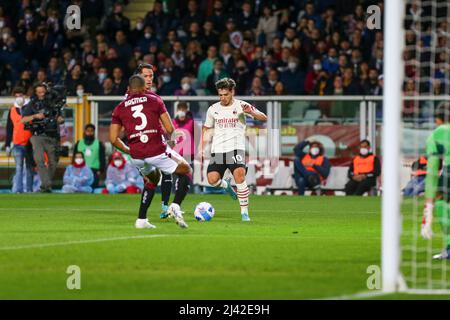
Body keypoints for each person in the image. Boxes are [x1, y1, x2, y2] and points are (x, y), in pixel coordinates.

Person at [110, 74, 192, 229]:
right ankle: (175, 206)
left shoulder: (119, 108)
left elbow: (113, 139)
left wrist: (129, 150)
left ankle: (141, 219)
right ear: (143, 88)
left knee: (152, 179)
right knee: (186, 170)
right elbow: (169, 128)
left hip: (137, 155)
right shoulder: (154, 100)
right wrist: (172, 141)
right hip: (156, 150)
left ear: (129, 89)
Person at [201, 78, 267, 221]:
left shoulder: (242, 105)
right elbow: (206, 128)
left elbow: (264, 117)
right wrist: (201, 146)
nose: (223, 98)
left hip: (236, 148)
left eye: (226, 94)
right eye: (220, 95)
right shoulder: (213, 109)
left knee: (239, 175)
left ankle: (244, 212)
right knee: (212, 180)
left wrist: (252, 112)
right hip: (218, 149)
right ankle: (226, 186)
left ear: (232, 92)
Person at [133, 63, 173, 219]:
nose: (149, 79)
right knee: (150, 179)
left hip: (157, 139)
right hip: (142, 142)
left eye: (151, 76)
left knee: (167, 171)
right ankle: (143, 215)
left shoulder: (155, 97)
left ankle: (164, 207)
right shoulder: (131, 97)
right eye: (145, 76)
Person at [21, 83, 65, 193]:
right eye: (39, 92)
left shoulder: (54, 103)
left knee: (53, 162)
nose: (42, 94)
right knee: (39, 160)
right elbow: (23, 120)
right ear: (35, 93)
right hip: (37, 135)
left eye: (43, 92)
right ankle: (47, 184)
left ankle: (45, 186)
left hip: (52, 135)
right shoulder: (32, 104)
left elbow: (61, 117)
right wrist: (35, 116)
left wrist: (60, 119)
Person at [421, 102, 450, 259]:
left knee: (441, 202)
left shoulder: (438, 133)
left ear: (439, 119)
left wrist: (428, 212)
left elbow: (432, 172)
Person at [5, 86, 34, 193]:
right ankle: (18, 190)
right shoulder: (12, 110)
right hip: (17, 143)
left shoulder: (31, 108)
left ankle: (29, 190)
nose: (18, 98)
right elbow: (9, 128)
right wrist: (7, 145)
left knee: (30, 168)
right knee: (19, 168)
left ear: (24, 96)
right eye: (16, 96)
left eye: (20, 95)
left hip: (30, 143)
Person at [73, 124, 105, 188]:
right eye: (88, 131)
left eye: (91, 131)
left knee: (92, 187)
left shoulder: (99, 144)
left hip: (94, 170)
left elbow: (102, 158)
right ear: (85, 131)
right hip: (80, 170)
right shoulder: (79, 143)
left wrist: (101, 170)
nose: (89, 133)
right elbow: (74, 157)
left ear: (94, 132)